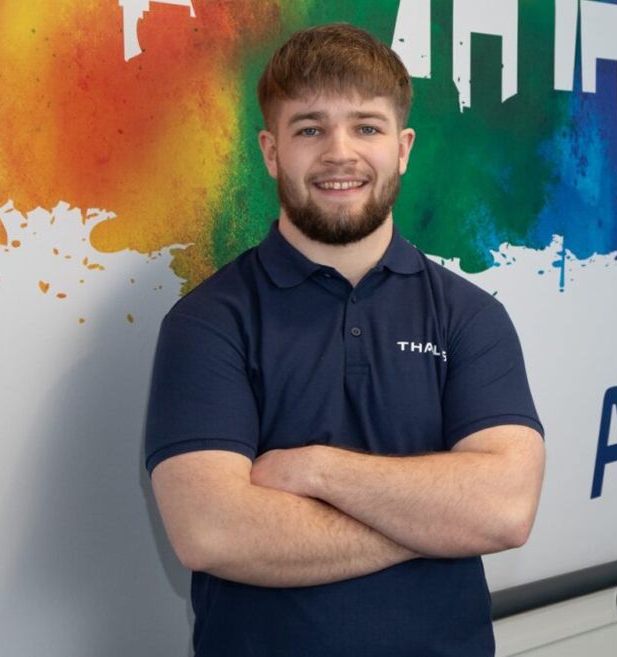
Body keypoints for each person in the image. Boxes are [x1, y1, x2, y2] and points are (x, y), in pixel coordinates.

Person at [144, 23, 545, 657]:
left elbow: (504, 511)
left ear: (403, 146)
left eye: (366, 126)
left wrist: (313, 469)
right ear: (272, 152)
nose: (339, 153)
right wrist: (437, 519)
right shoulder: (208, 324)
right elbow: (213, 533)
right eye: (309, 129)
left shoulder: (470, 317)